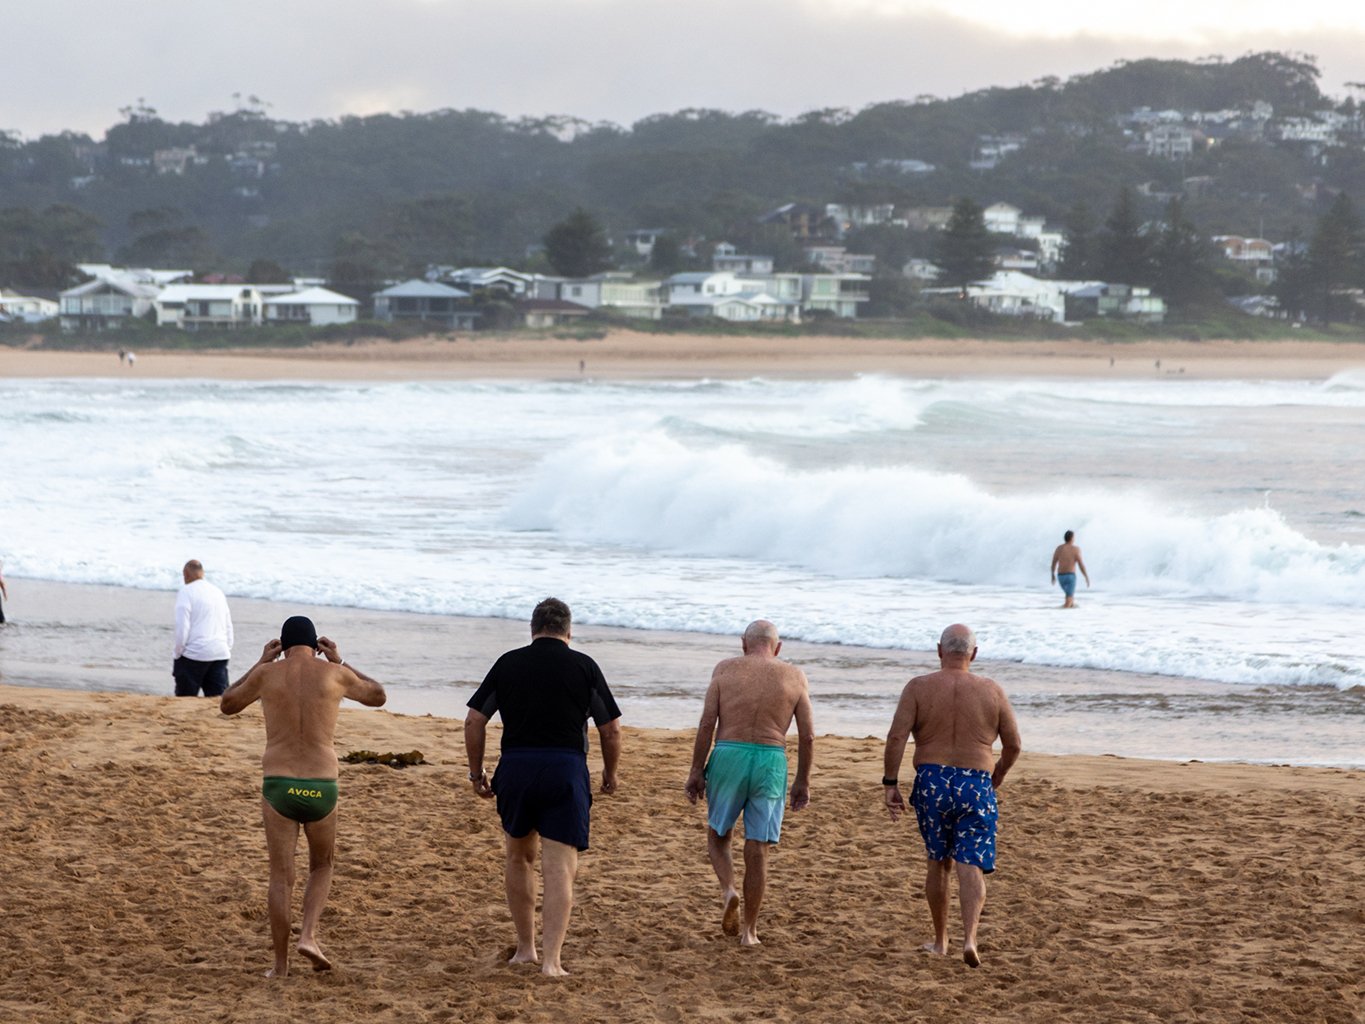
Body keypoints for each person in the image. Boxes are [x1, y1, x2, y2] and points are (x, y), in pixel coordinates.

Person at [219, 615, 387, 978]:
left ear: (280, 644)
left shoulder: (266, 674)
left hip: (279, 784)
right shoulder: (334, 674)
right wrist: (339, 660)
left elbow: (228, 702)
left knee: (281, 876)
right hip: (322, 785)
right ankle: (309, 935)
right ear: (315, 646)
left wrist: (260, 662)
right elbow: (378, 694)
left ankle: (280, 966)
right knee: (322, 865)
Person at [464, 597, 622, 977]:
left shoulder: (509, 662)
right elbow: (610, 728)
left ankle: (525, 949)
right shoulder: (584, 666)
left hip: (516, 767)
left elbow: (474, 721)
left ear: (533, 629)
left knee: (518, 857)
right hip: (564, 768)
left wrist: (476, 774)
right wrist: (610, 773)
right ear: (569, 631)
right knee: (559, 868)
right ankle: (552, 961)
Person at [883, 624, 1021, 968]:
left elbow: (897, 736)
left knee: (938, 861)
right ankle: (971, 938)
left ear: (939, 651)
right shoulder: (991, 691)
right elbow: (1014, 744)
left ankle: (941, 940)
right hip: (976, 781)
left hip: (932, 780)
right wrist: (997, 775)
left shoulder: (919, 687)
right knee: (969, 862)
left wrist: (890, 783)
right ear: (973, 654)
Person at [685, 620, 814, 947]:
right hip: (772, 759)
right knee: (758, 847)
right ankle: (750, 932)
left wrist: (696, 770)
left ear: (744, 643)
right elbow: (808, 735)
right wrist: (802, 781)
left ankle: (728, 889)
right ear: (778, 647)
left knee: (718, 835)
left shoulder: (725, 670)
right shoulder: (794, 676)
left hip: (729, 753)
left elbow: (706, 724)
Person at [173, 559, 234, 696]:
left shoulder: (186, 591)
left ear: (186, 574)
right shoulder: (217, 592)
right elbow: (228, 624)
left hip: (194, 654)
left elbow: (182, 627)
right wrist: (227, 647)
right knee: (217, 700)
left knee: (185, 698)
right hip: (220, 652)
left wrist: (178, 654)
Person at [1050, 530, 1090, 609]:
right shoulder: (1075, 549)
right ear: (1072, 538)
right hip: (1070, 576)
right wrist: (1086, 576)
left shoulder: (1059, 548)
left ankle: (1069, 615)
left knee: (1069, 597)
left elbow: (1054, 562)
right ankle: (1061, 615)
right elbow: (1080, 564)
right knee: (1069, 598)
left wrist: (1053, 576)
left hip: (1060, 576)